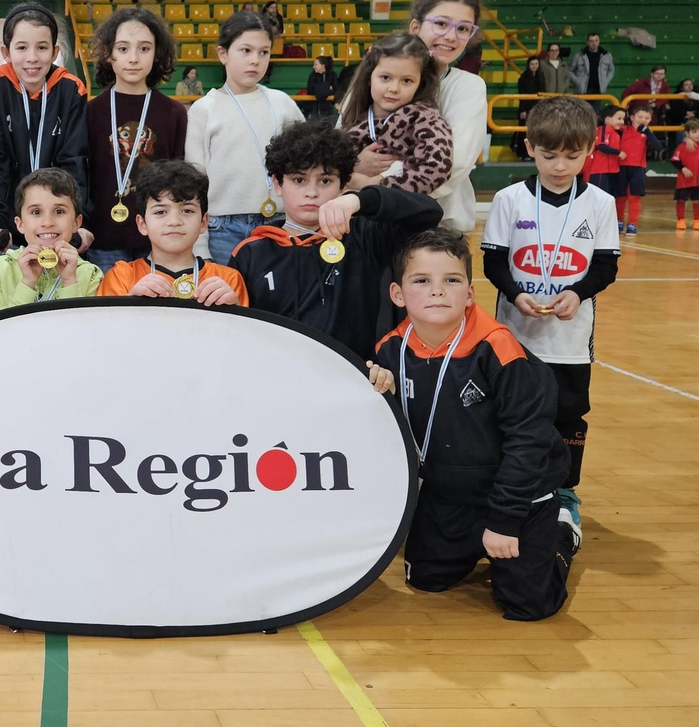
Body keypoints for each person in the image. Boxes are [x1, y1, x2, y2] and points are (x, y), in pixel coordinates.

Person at [377, 228, 576, 621]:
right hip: (449, 493)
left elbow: (529, 442)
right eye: (422, 281)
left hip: (519, 497)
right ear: (398, 295)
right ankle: (471, 544)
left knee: (528, 606)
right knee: (425, 580)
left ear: (469, 294)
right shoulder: (390, 351)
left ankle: (561, 531)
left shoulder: (499, 350)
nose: (438, 291)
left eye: (451, 281)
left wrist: (504, 521)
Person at [481, 95, 621, 541]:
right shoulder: (509, 199)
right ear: (529, 147)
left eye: (571, 155)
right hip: (515, 335)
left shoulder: (600, 202)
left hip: (571, 341)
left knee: (568, 415)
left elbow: (605, 266)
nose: (560, 165)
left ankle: (564, 493)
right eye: (549, 155)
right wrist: (516, 293)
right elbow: (493, 263)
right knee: (509, 414)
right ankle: (508, 488)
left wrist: (578, 294)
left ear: (589, 150)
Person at [231, 120, 442, 361]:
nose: (312, 192)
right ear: (278, 184)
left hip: (353, 378)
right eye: (299, 180)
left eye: (325, 181)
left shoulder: (364, 236)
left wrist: (360, 201)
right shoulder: (250, 252)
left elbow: (429, 213)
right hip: (279, 378)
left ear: (343, 185)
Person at [353, 0, 487, 233]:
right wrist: (353, 164)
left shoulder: (469, 87)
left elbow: (452, 164)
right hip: (364, 222)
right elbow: (338, 144)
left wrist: (371, 183)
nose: (450, 36)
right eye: (441, 24)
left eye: (463, 29)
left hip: (435, 227)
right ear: (416, 27)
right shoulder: (371, 79)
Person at [184, 9, 304, 263]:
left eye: (264, 52)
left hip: (280, 223)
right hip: (222, 228)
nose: (255, 60)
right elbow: (195, 181)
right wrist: (200, 245)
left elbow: (306, 163)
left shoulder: (282, 103)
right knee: (226, 300)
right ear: (223, 54)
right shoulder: (204, 109)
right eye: (246, 50)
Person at [0, 3, 92, 257]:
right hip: (8, 225)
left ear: (55, 51)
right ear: (6, 52)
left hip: (58, 227)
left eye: (42, 47)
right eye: (21, 48)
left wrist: (81, 221)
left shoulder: (71, 90)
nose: (32, 57)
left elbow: (75, 161)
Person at [85, 7, 188, 273]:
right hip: (101, 240)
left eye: (144, 49)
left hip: (157, 241)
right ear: (108, 54)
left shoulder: (174, 113)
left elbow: (178, 179)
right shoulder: (89, 112)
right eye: (123, 49)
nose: (133, 58)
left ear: (157, 54)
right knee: (108, 313)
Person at [97, 160, 248, 307]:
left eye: (187, 210)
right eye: (161, 212)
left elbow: (244, 332)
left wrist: (233, 310)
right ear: (142, 224)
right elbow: (106, 330)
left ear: (203, 222)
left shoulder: (227, 280)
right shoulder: (122, 276)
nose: (174, 221)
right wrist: (130, 303)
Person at [337, 33, 453, 196]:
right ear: (369, 77)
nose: (394, 88)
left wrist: (375, 184)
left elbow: (437, 168)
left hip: (400, 215)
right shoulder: (357, 116)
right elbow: (330, 166)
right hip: (353, 215)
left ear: (420, 83)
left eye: (406, 81)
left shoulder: (425, 119)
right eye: (385, 78)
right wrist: (353, 167)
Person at [0, 168, 102, 314]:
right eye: (36, 212)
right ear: (20, 224)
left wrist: (70, 282)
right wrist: (27, 283)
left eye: (59, 211)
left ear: (76, 222)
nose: (47, 222)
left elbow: (87, 334)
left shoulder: (91, 274)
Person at [617, 104, 663, 234]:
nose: (643, 120)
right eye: (640, 116)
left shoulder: (647, 133)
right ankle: (619, 221)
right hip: (621, 167)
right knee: (620, 196)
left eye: (647, 118)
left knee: (634, 197)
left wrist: (647, 132)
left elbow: (658, 147)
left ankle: (632, 223)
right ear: (632, 117)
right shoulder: (623, 130)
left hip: (638, 168)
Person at [582, 105, 626, 210]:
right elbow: (601, 145)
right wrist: (618, 152)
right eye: (619, 119)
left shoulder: (615, 132)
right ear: (607, 119)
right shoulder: (604, 130)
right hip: (600, 170)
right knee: (598, 196)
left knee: (608, 196)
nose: (622, 122)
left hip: (611, 170)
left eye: (623, 119)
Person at [670, 119, 699, 230]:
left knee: (697, 200)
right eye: (694, 132)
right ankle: (681, 220)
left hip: (698, 179)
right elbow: (675, 160)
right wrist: (683, 168)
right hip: (684, 180)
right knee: (681, 200)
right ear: (687, 133)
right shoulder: (682, 146)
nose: (698, 134)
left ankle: (697, 220)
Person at [568, 32, 615, 107]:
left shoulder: (607, 55)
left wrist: (606, 80)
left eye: (596, 40)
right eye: (591, 41)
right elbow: (569, 70)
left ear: (599, 41)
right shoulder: (578, 56)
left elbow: (611, 70)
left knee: (595, 114)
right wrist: (577, 81)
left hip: (598, 89)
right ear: (587, 42)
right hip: (583, 90)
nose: (594, 43)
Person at [514, 55, 542, 157]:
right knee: (524, 132)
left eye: (536, 64)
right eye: (532, 64)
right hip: (526, 108)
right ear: (528, 65)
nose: (534, 66)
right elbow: (521, 95)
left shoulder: (540, 77)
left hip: (537, 109)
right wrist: (523, 110)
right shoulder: (523, 78)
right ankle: (523, 153)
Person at [306, 55, 339, 119]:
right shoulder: (312, 76)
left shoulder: (332, 75)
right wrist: (327, 88)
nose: (313, 67)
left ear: (323, 65)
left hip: (328, 108)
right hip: (314, 108)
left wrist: (318, 88)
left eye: (316, 65)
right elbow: (310, 90)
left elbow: (336, 89)